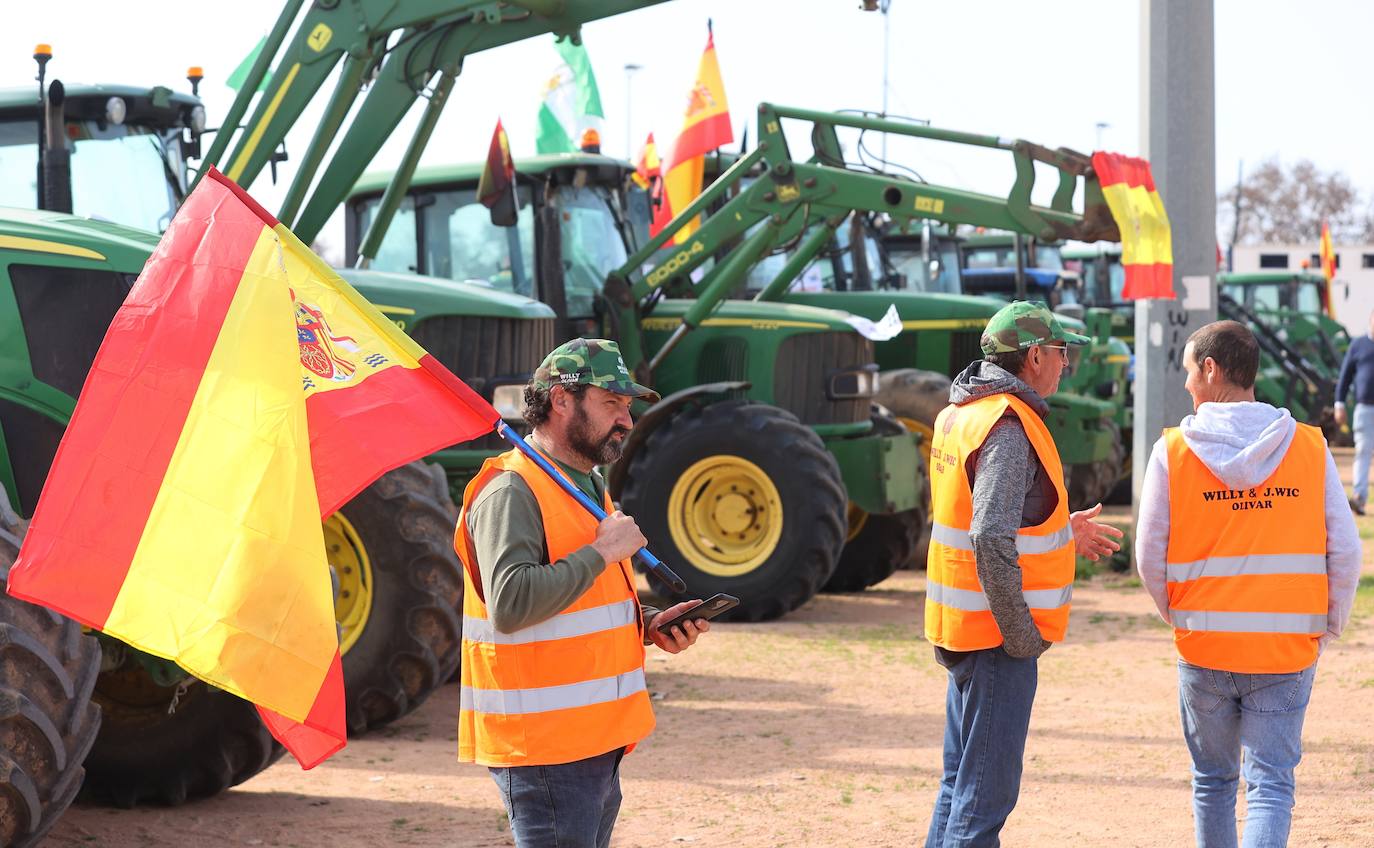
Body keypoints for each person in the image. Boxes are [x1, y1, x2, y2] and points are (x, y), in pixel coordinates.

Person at [454, 338, 711, 848]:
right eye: (611, 403)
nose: (627, 420)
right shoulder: (511, 490)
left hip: (592, 741)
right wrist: (602, 553)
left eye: (628, 406)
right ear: (561, 401)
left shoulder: (584, 484)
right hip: (547, 750)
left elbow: (576, 606)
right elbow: (511, 604)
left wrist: (648, 624)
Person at [1136, 320, 1361, 848]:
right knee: (1271, 787)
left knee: (1214, 783)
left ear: (1211, 369)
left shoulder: (1173, 451)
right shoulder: (1308, 446)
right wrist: (1327, 627)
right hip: (1285, 651)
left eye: (1190, 371)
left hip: (1205, 646)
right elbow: (1346, 551)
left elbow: (1149, 555)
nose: (1187, 384)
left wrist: (1181, 613)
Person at [924, 301, 1123, 847]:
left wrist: (1063, 529)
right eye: (1062, 354)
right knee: (982, 803)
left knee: (957, 788)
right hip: (996, 639)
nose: (1065, 365)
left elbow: (981, 516)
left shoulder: (962, 412)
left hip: (962, 629)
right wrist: (1020, 634)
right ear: (1035, 356)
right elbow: (989, 534)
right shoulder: (1009, 425)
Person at [1333, 309, 1374, 513]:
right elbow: (1345, 376)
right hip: (1365, 408)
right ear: (1370, 320)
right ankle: (1358, 497)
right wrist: (1339, 403)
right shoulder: (1358, 345)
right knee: (1363, 452)